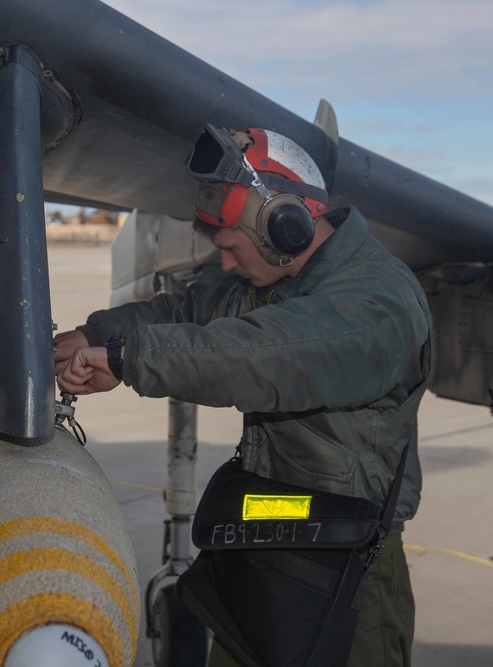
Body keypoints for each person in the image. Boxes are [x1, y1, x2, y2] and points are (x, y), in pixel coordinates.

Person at [54, 124, 431, 666]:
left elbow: (259, 355)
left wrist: (126, 360)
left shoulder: (374, 303)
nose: (225, 264)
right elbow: (187, 309)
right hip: (264, 550)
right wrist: (97, 335)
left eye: (231, 249)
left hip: (345, 576)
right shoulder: (273, 282)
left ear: (288, 228)